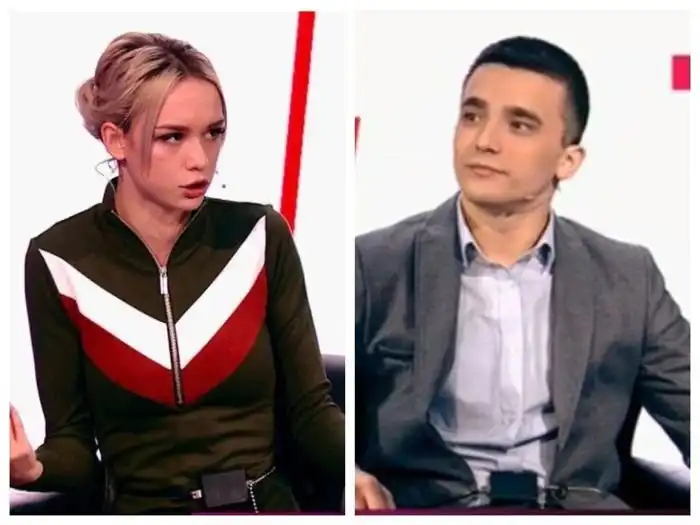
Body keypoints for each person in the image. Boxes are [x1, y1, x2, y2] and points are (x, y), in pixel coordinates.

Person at [9, 31, 346, 515]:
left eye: (214, 132)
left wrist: (372, 467)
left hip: (260, 506)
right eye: (173, 137)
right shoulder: (58, 259)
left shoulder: (259, 234)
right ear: (116, 139)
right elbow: (75, 447)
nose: (201, 159)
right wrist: (31, 469)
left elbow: (313, 414)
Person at [354, 36, 690, 511]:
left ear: (567, 160)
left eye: (519, 125)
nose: (484, 141)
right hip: (431, 510)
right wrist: (348, 472)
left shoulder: (628, 278)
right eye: (472, 116)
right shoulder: (375, 264)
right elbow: (300, 409)